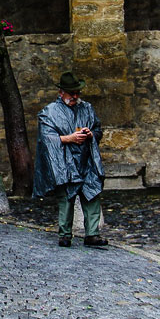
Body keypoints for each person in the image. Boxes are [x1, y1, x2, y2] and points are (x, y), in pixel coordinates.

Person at [32, 71, 108, 248]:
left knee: (92, 194)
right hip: (64, 162)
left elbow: (98, 129)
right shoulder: (49, 112)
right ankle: (65, 234)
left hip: (87, 161)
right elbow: (46, 139)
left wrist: (91, 134)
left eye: (77, 93)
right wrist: (69, 138)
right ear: (61, 93)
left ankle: (92, 234)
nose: (75, 96)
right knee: (66, 198)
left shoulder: (87, 108)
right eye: (71, 93)